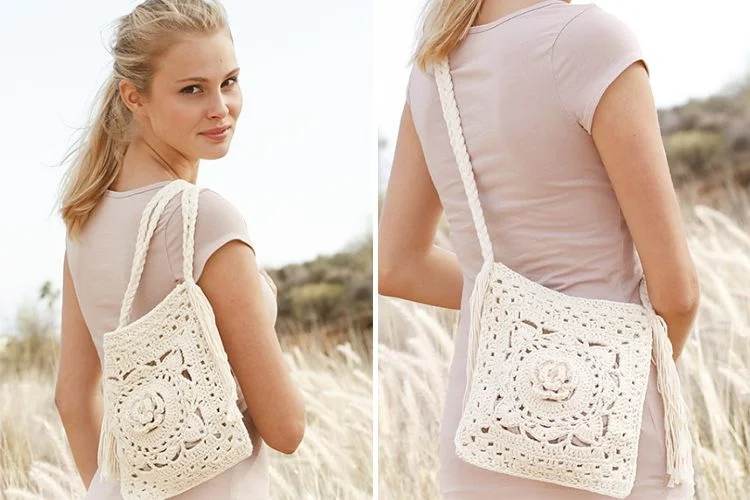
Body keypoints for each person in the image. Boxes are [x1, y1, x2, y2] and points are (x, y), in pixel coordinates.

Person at [378, 0, 699, 498]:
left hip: (483, 428)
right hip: (606, 433)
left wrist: (516, 311)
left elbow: (399, 266)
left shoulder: (431, 71)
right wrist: (619, 380)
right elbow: (677, 293)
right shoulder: (590, 41)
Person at [54, 1, 305, 498]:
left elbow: (71, 398)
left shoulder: (83, 219)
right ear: (134, 97)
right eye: (192, 90)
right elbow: (286, 428)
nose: (220, 107)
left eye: (229, 82)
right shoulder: (203, 217)